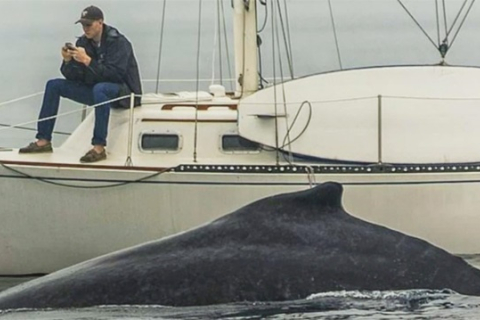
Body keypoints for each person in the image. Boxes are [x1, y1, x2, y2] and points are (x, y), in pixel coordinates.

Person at [19, 5, 142, 163]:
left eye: (88, 24)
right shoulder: (83, 42)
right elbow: (76, 77)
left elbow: (116, 75)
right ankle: (43, 140)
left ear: (100, 22)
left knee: (100, 88)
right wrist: (67, 61)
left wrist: (88, 60)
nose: (85, 28)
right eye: (83, 25)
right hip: (99, 91)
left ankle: (99, 146)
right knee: (53, 85)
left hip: (125, 93)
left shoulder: (118, 42)